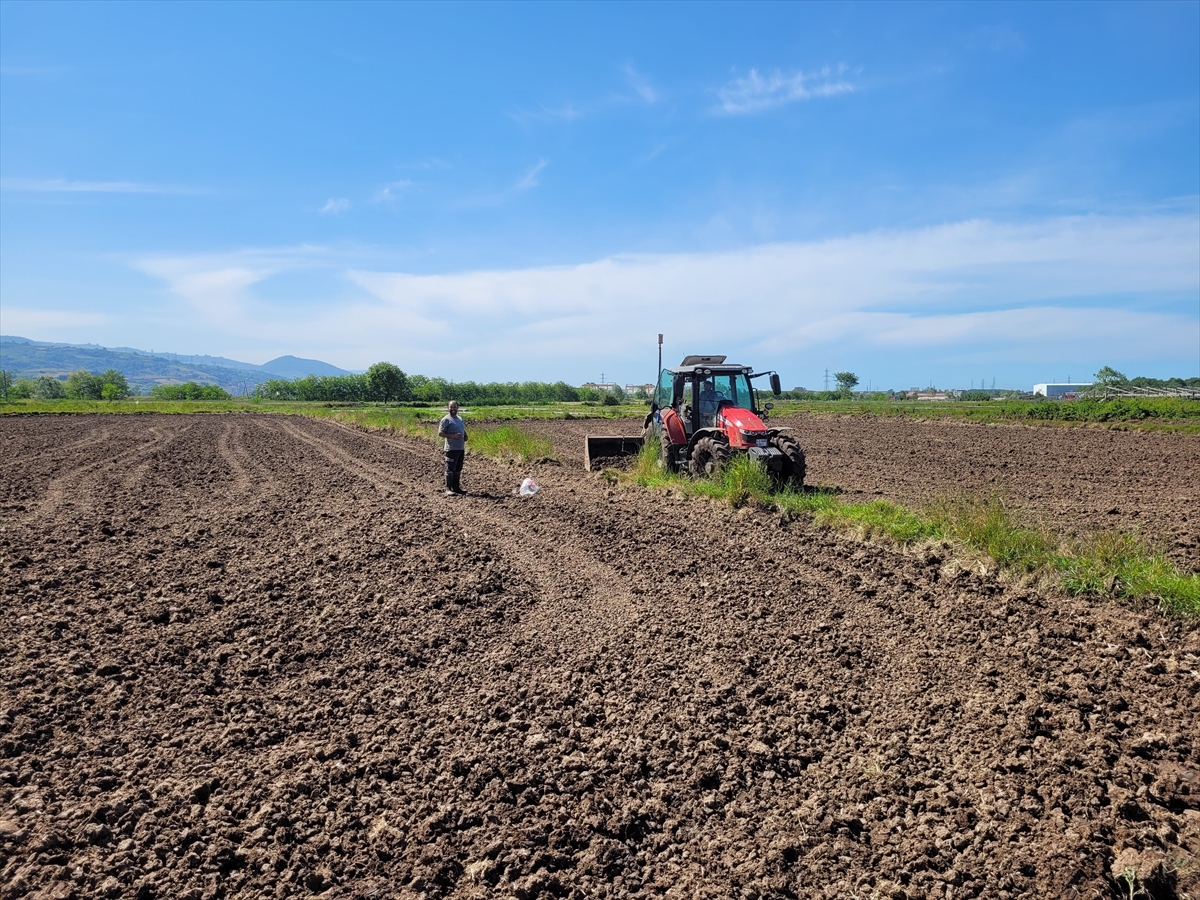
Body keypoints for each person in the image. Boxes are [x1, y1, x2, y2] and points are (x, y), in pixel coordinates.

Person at [437, 400, 468, 495]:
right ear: (448, 408)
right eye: (451, 407)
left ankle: (456, 487)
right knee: (450, 468)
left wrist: (465, 435)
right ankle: (448, 489)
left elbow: (462, 429)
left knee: (458, 468)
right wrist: (454, 436)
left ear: (458, 408)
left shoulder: (459, 418)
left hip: (460, 448)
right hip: (451, 448)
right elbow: (440, 433)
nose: (453, 409)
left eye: (454, 407)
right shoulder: (446, 419)